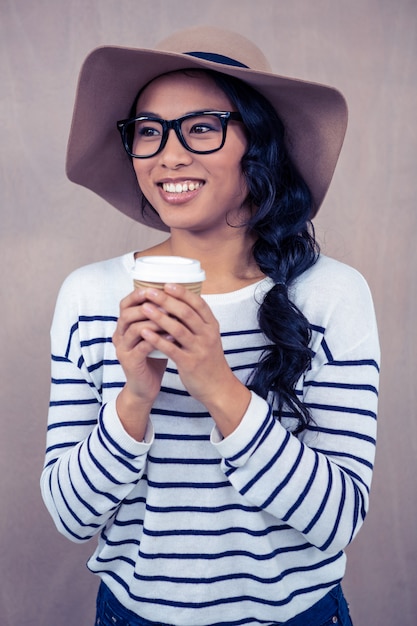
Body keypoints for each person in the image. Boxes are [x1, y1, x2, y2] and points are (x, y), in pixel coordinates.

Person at [41, 26, 380, 626]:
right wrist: (135, 399)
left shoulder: (331, 294)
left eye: (201, 126)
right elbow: (71, 518)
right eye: (148, 131)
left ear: (260, 143)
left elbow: (337, 521)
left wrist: (218, 385)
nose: (169, 154)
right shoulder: (90, 296)